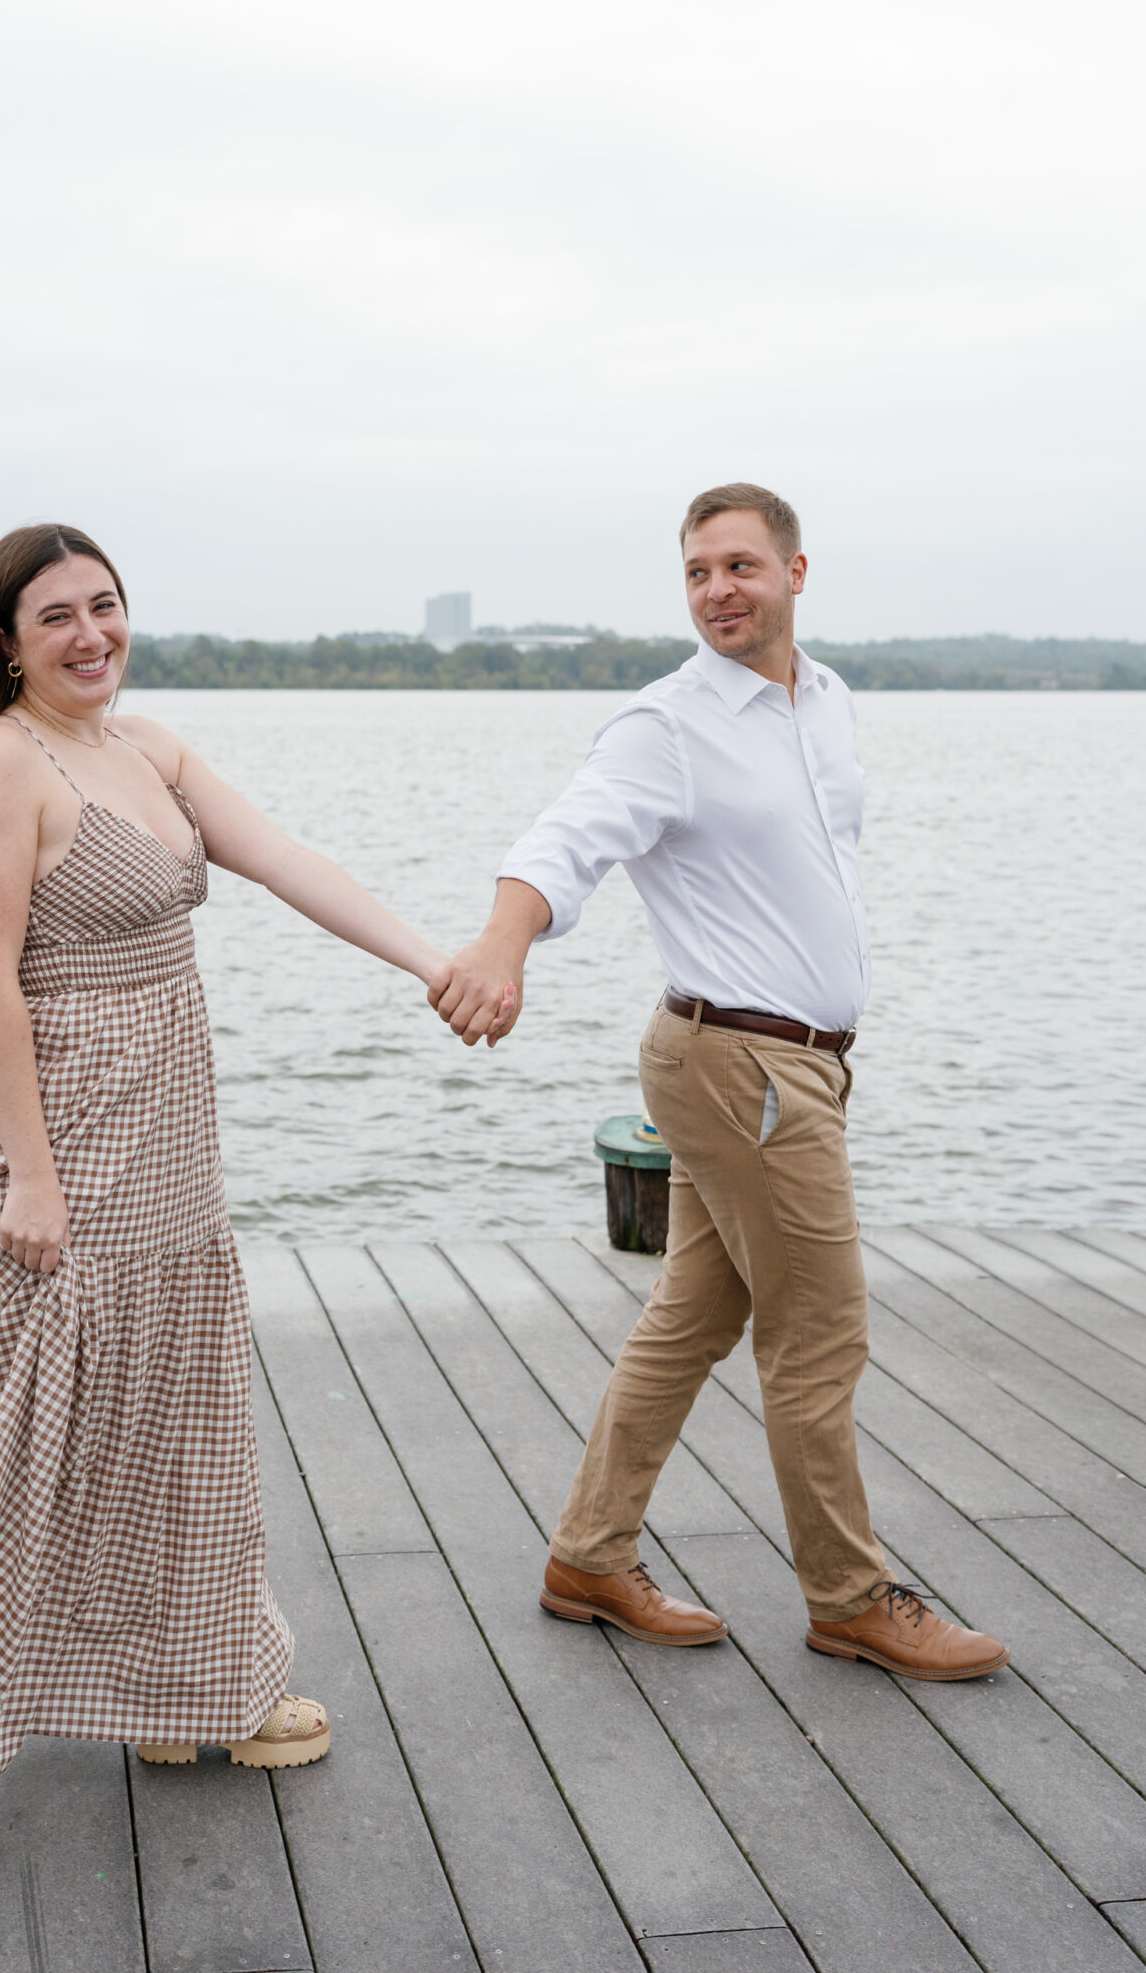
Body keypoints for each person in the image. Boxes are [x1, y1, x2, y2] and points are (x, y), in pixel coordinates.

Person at [0, 522, 452, 1827]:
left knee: (178, 1426)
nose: (91, 636)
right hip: (63, 1144)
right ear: (7, 642)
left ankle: (195, 1684)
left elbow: (290, 862)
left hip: (170, 1143)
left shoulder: (147, 750)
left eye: (107, 607)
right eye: (57, 617)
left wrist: (434, 964)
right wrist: (29, 1174)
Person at [431, 481, 1009, 1682]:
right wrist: (499, 944)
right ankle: (849, 1597)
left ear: (797, 574)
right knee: (818, 1336)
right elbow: (564, 840)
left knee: (695, 1311)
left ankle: (589, 1556)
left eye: (738, 567)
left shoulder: (829, 703)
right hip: (739, 1063)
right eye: (696, 572)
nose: (715, 592)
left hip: (791, 1065)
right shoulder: (666, 725)